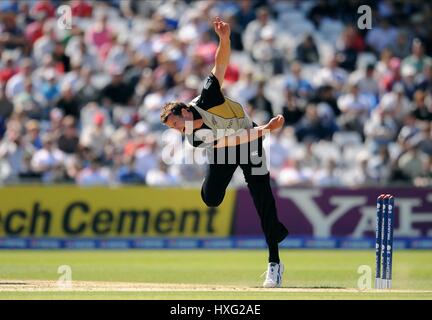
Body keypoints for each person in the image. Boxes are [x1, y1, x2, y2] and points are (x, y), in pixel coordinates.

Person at [160, 17, 288, 288]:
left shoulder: (208, 96)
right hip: (228, 146)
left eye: (175, 123)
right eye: (172, 128)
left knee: (261, 196)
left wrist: (225, 40)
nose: (176, 129)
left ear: (184, 111)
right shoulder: (195, 138)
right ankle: (274, 230)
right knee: (211, 198)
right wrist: (266, 128)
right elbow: (230, 144)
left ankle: (274, 264)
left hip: (249, 140)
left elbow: (220, 65)